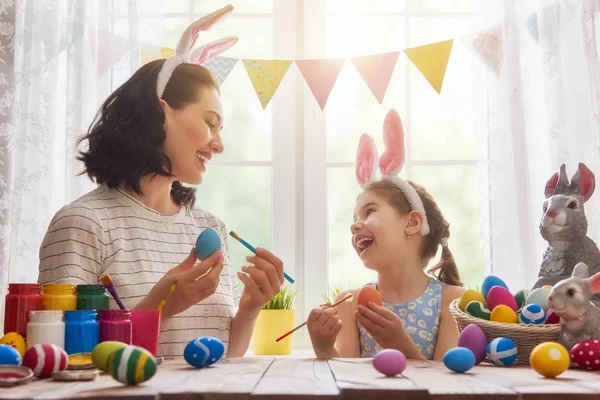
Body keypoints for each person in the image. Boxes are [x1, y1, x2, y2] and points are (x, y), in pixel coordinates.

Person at [38, 5, 285, 358]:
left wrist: (249, 307)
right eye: (210, 122)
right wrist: (162, 307)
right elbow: (60, 360)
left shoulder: (210, 226)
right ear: (162, 112)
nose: (219, 143)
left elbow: (222, 360)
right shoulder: (83, 225)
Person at [307, 109, 464, 360]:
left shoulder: (453, 301)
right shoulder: (348, 302)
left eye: (369, 212)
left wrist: (399, 344)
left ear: (412, 223)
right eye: (354, 218)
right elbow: (346, 384)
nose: (355, 226)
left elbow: (448, 387)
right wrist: (324, 348)